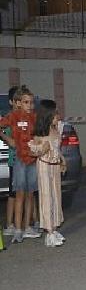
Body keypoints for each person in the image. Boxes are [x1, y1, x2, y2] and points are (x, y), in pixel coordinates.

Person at [0, 86, 39, 243]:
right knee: (20, 193)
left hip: (32, 158)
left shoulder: (34, 117)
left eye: (31, 102)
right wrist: (7, 138)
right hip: (19, 159)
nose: (29, 105)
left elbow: (39, 134)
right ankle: (17, 228)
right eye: (26, 102)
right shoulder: (13, 116)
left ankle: (27, 225)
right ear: (18, 103)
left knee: (30, 193)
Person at [28, 99, 65, 247]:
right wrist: (41, 150)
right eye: (55, 112)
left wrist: (62, 161)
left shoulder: (56, 130)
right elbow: (32, 152)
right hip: (44, 166)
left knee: (56, 196)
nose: (57, 115)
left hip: (55, 167)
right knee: (46, 197)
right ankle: (49, 232)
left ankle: (54, 228)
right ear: (48, 115)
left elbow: (57, 149)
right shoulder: (40, 134)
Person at [1, 86, 18, 238]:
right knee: (13, 193)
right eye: (18, 100)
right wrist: (9, 139)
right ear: (12, 101)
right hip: (15, 159)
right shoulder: (9, 117)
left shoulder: (26, 116)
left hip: (26, 159)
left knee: (27, 192)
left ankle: (28, 222)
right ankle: (9, 224)